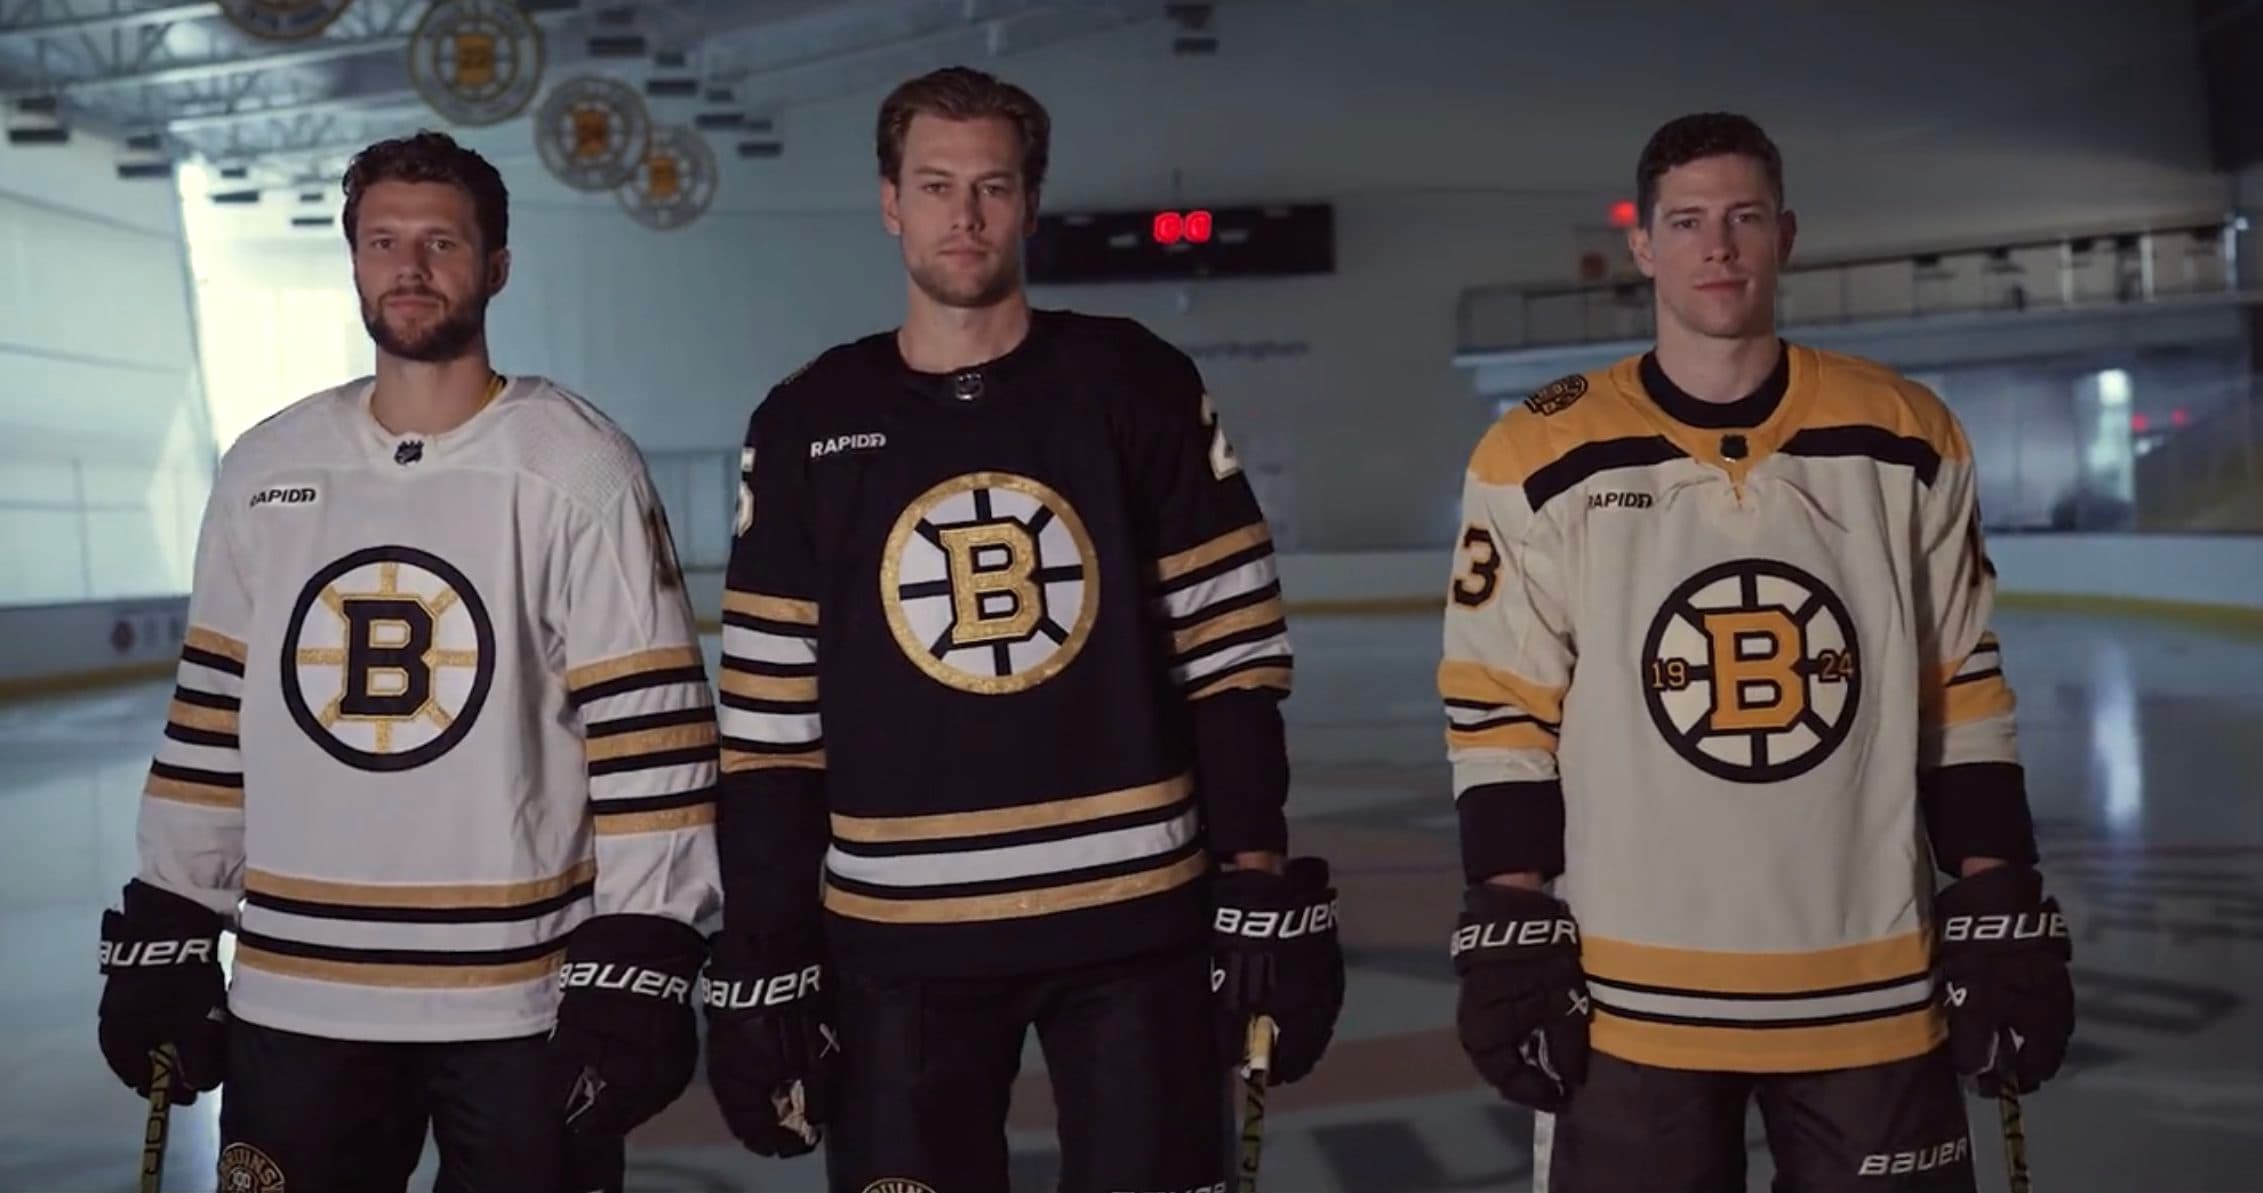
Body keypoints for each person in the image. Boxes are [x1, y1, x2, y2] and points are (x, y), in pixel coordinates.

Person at [697, 65, 1345, 1192]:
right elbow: (767, 721)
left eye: (992, 185)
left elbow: (1230, 651)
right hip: (896, 946)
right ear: (890, 200)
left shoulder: (1132, 380)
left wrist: (1253, 864)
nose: (965, 215)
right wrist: (770, 944)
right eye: (936, 184)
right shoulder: (807, 419)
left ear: (1031, 201)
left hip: (1137, 922)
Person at [1440, 112, 2076, 1192]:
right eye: (1685, 222)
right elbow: (1500, 704)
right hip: (1629, 990)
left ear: (1784, 233)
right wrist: (1511, 910)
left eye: (1741, 218)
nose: (1716, 247)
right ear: (1642, 247)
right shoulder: (1537, 450)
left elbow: (1959, 684)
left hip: (1871, 982)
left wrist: (1997, 888)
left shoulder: (1907, 430)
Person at [94, 130, 722, 1193]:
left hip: (520, 1004)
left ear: (498, 267)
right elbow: (212, 720)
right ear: (352, 262)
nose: (410, 266)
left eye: (441, 241)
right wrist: (172, 914)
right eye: (383, 240)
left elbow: (648, 736)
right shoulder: (267, 466)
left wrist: (649, 944)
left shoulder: (574, 463)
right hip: (297, 999)